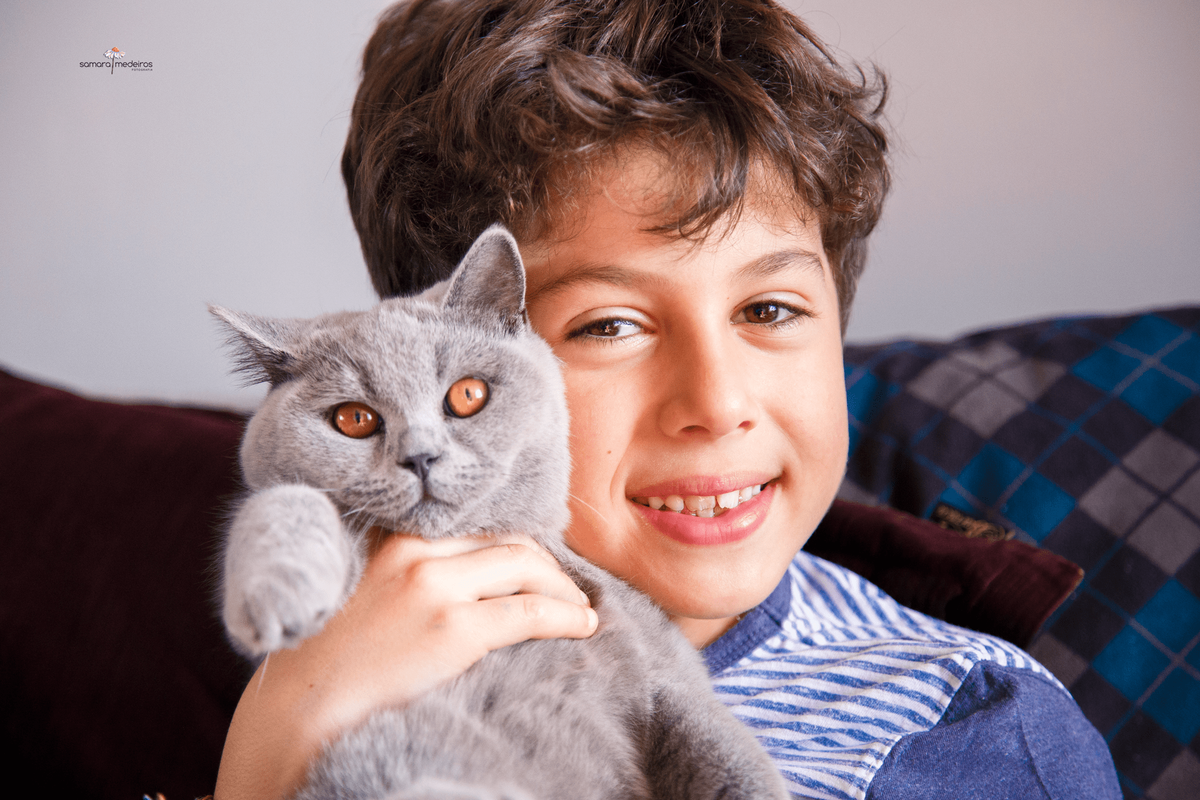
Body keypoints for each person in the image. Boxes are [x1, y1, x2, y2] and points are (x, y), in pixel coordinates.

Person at [216, 1, 1121, 797]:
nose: (717, 401)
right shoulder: (327, 641)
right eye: (609, 327)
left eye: (769, 309)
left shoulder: (977, 742)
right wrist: (275, 753)